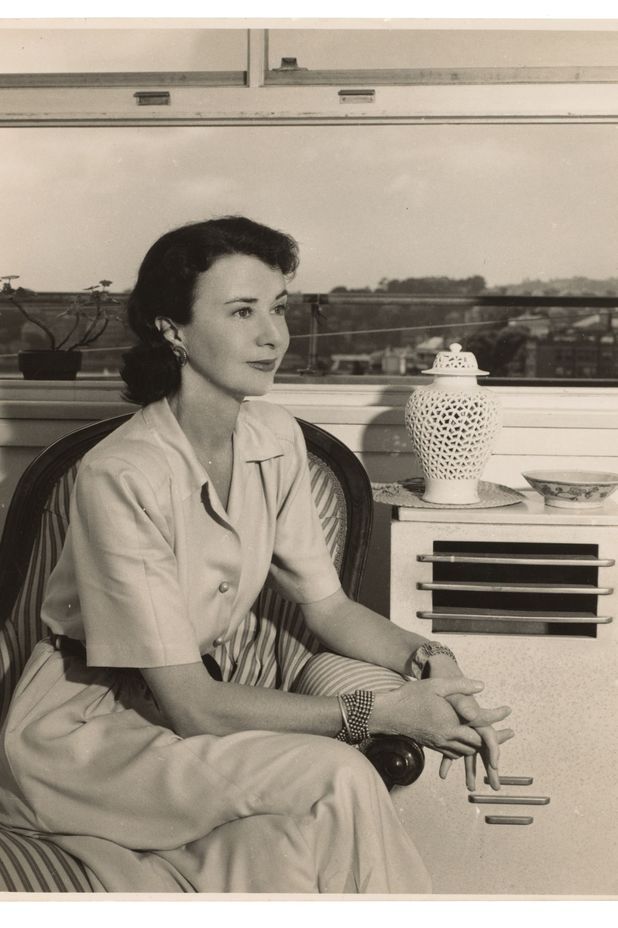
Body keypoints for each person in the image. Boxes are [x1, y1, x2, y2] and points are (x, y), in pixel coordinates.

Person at [0, 217, 513, 894]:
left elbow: (328, 608)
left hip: (178, 722)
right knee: (338, 776)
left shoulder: (275, 437)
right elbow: (194, 707)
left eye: (278, 308)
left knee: (294, 840)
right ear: (172, 330)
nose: (273, 335)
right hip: (85, 740)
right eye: (242, 311)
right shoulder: (121, 475)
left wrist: (433, 666)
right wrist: (381, 713)